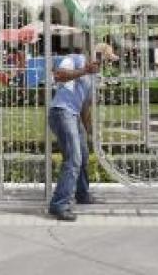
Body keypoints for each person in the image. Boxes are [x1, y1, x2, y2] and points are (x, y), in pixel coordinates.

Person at [47, 49, 100, 221]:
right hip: (61, 112)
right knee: (73, 158)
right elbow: (58, 75)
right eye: (102, 58)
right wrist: (84, 70)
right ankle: (59, 204)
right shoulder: (75, 59)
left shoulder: (91, 79)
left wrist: (89, 130)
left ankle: (82, 194)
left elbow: (85, 107)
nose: (103, 63)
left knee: (83, 155)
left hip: (74, 115)